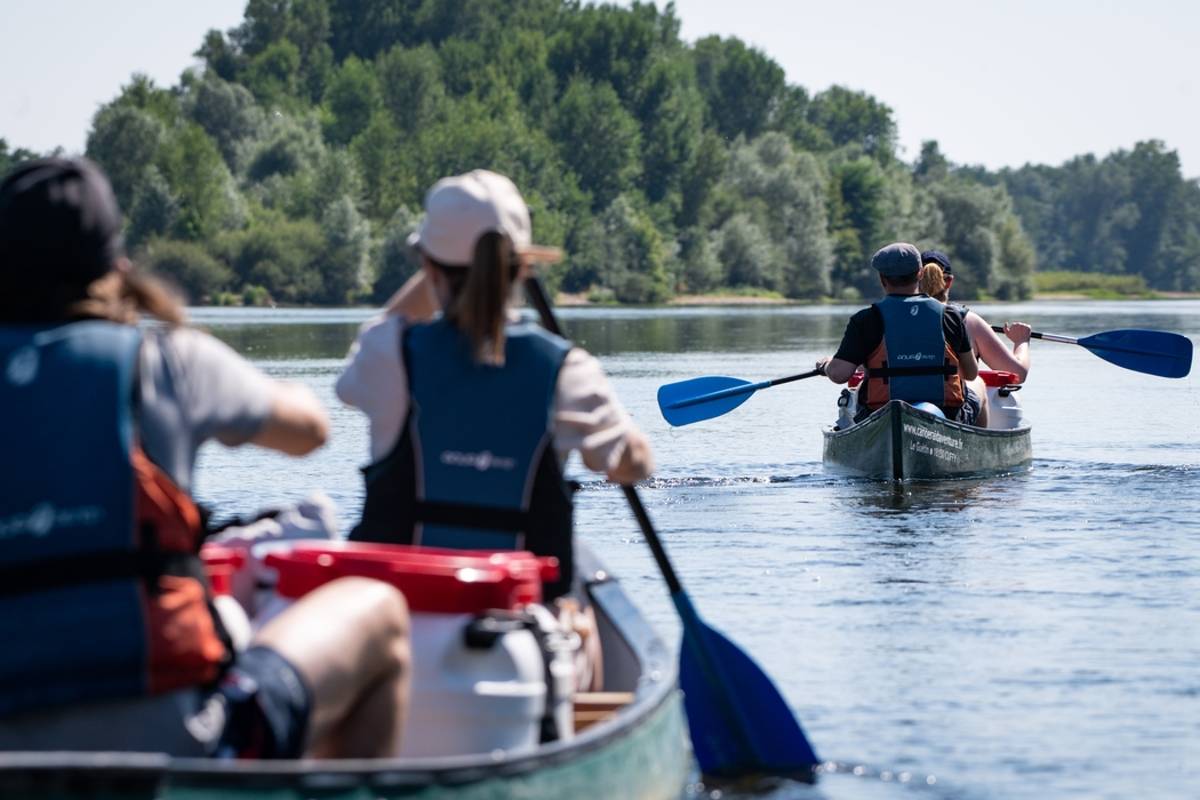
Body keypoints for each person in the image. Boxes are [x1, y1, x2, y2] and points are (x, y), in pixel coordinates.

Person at [0, 158, 410, 759]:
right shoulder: (169, 360)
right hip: (175, 739)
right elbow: (310, 431)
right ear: (115, 266)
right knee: (377, 611)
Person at [337, 169, 654, 602]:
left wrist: (440, 270)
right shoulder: (568, 369)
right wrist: (624, 437)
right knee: (581, 624)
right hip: (518, 622)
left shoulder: (386, 351)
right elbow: (630, 467)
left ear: (428, 267)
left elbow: (362, 355)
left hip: (397, 617)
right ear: (523, 267)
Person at [818, 242, 986, 425]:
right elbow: (970, 373)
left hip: (881, 414)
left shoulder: (865, 320)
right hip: (947, 414)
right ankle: (978, 448)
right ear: (920, 274)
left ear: (882, 279)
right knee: (979, 388)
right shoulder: (950, 316)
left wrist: (826, 365)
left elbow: (839, 374)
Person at [919, 249, 1032, 382]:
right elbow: (1017, 374)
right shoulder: (969, 322)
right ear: (949, 282)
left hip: (903, 397)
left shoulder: (895, 317)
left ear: (915, 280)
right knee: (978, 383)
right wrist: (1021, 341)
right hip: (951, 399)